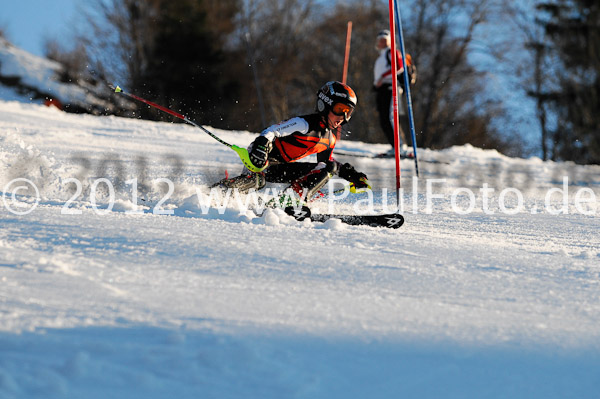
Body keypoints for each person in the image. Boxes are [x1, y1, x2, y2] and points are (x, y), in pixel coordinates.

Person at [217, 81, 370, 201]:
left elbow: (326, 164)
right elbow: (270, 131)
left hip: (279, 168)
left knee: (328, 167)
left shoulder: (330, 139)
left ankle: (294, 198)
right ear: (325, 104)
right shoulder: (305, 123)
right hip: (260, 159)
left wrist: (351, 175)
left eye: (347, 113)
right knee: (257, 181)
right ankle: (218, 192)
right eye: (339, 109)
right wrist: (261, 146)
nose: (342, 118)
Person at [373, 29, 417, 157]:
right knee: (384, 119)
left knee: (391, 117)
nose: (382, 42)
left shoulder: (392, 52)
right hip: (382, 90)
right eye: (380, 40)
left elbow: (399, 67)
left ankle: (401, 146)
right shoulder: (381, 56)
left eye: (385, 40)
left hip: (391, 88)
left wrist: (382, 77)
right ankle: (394, 146)